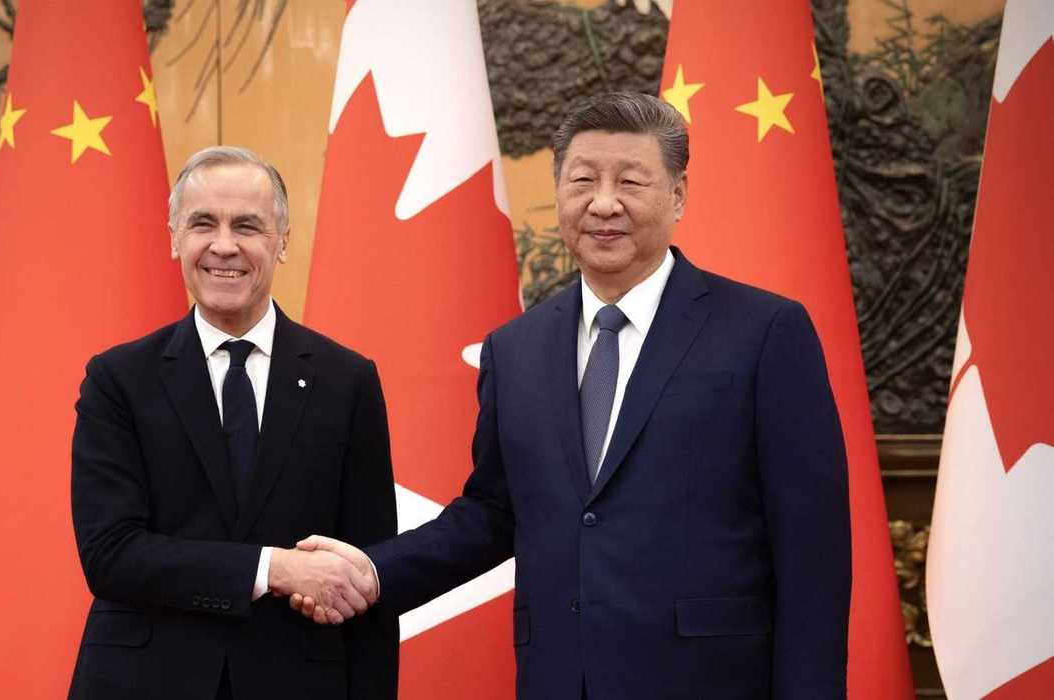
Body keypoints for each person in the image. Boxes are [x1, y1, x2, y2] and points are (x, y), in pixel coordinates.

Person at [293, 92, 851, 699]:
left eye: (631, 182)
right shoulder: (515, 349)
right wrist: (373, 573)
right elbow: (494, 514)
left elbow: (812, 554)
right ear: (559, 192)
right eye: (582, 180)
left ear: (679, 196)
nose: (603, 203)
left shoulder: (764, 332)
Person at [68, 146, 397, 700]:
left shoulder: (347, 381)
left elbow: (366, 573)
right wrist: (274, 569)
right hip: (147, 683)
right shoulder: (118, 379)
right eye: (203, 224)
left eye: (248, 225)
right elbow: (111, 555)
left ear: (283, 242)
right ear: (174, 238)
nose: (224, 245)